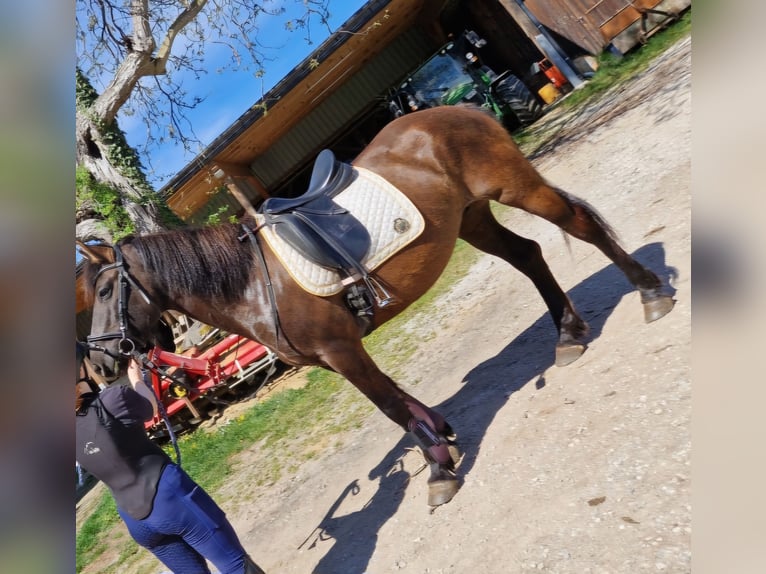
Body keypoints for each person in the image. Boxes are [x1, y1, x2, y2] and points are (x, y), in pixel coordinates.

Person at [75, 342, 266, 574]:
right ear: (81, 369)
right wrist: (136, 378)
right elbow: (150, 408)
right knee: (235, 564)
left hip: (135, 519)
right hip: (171, 499)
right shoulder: (113, 400)